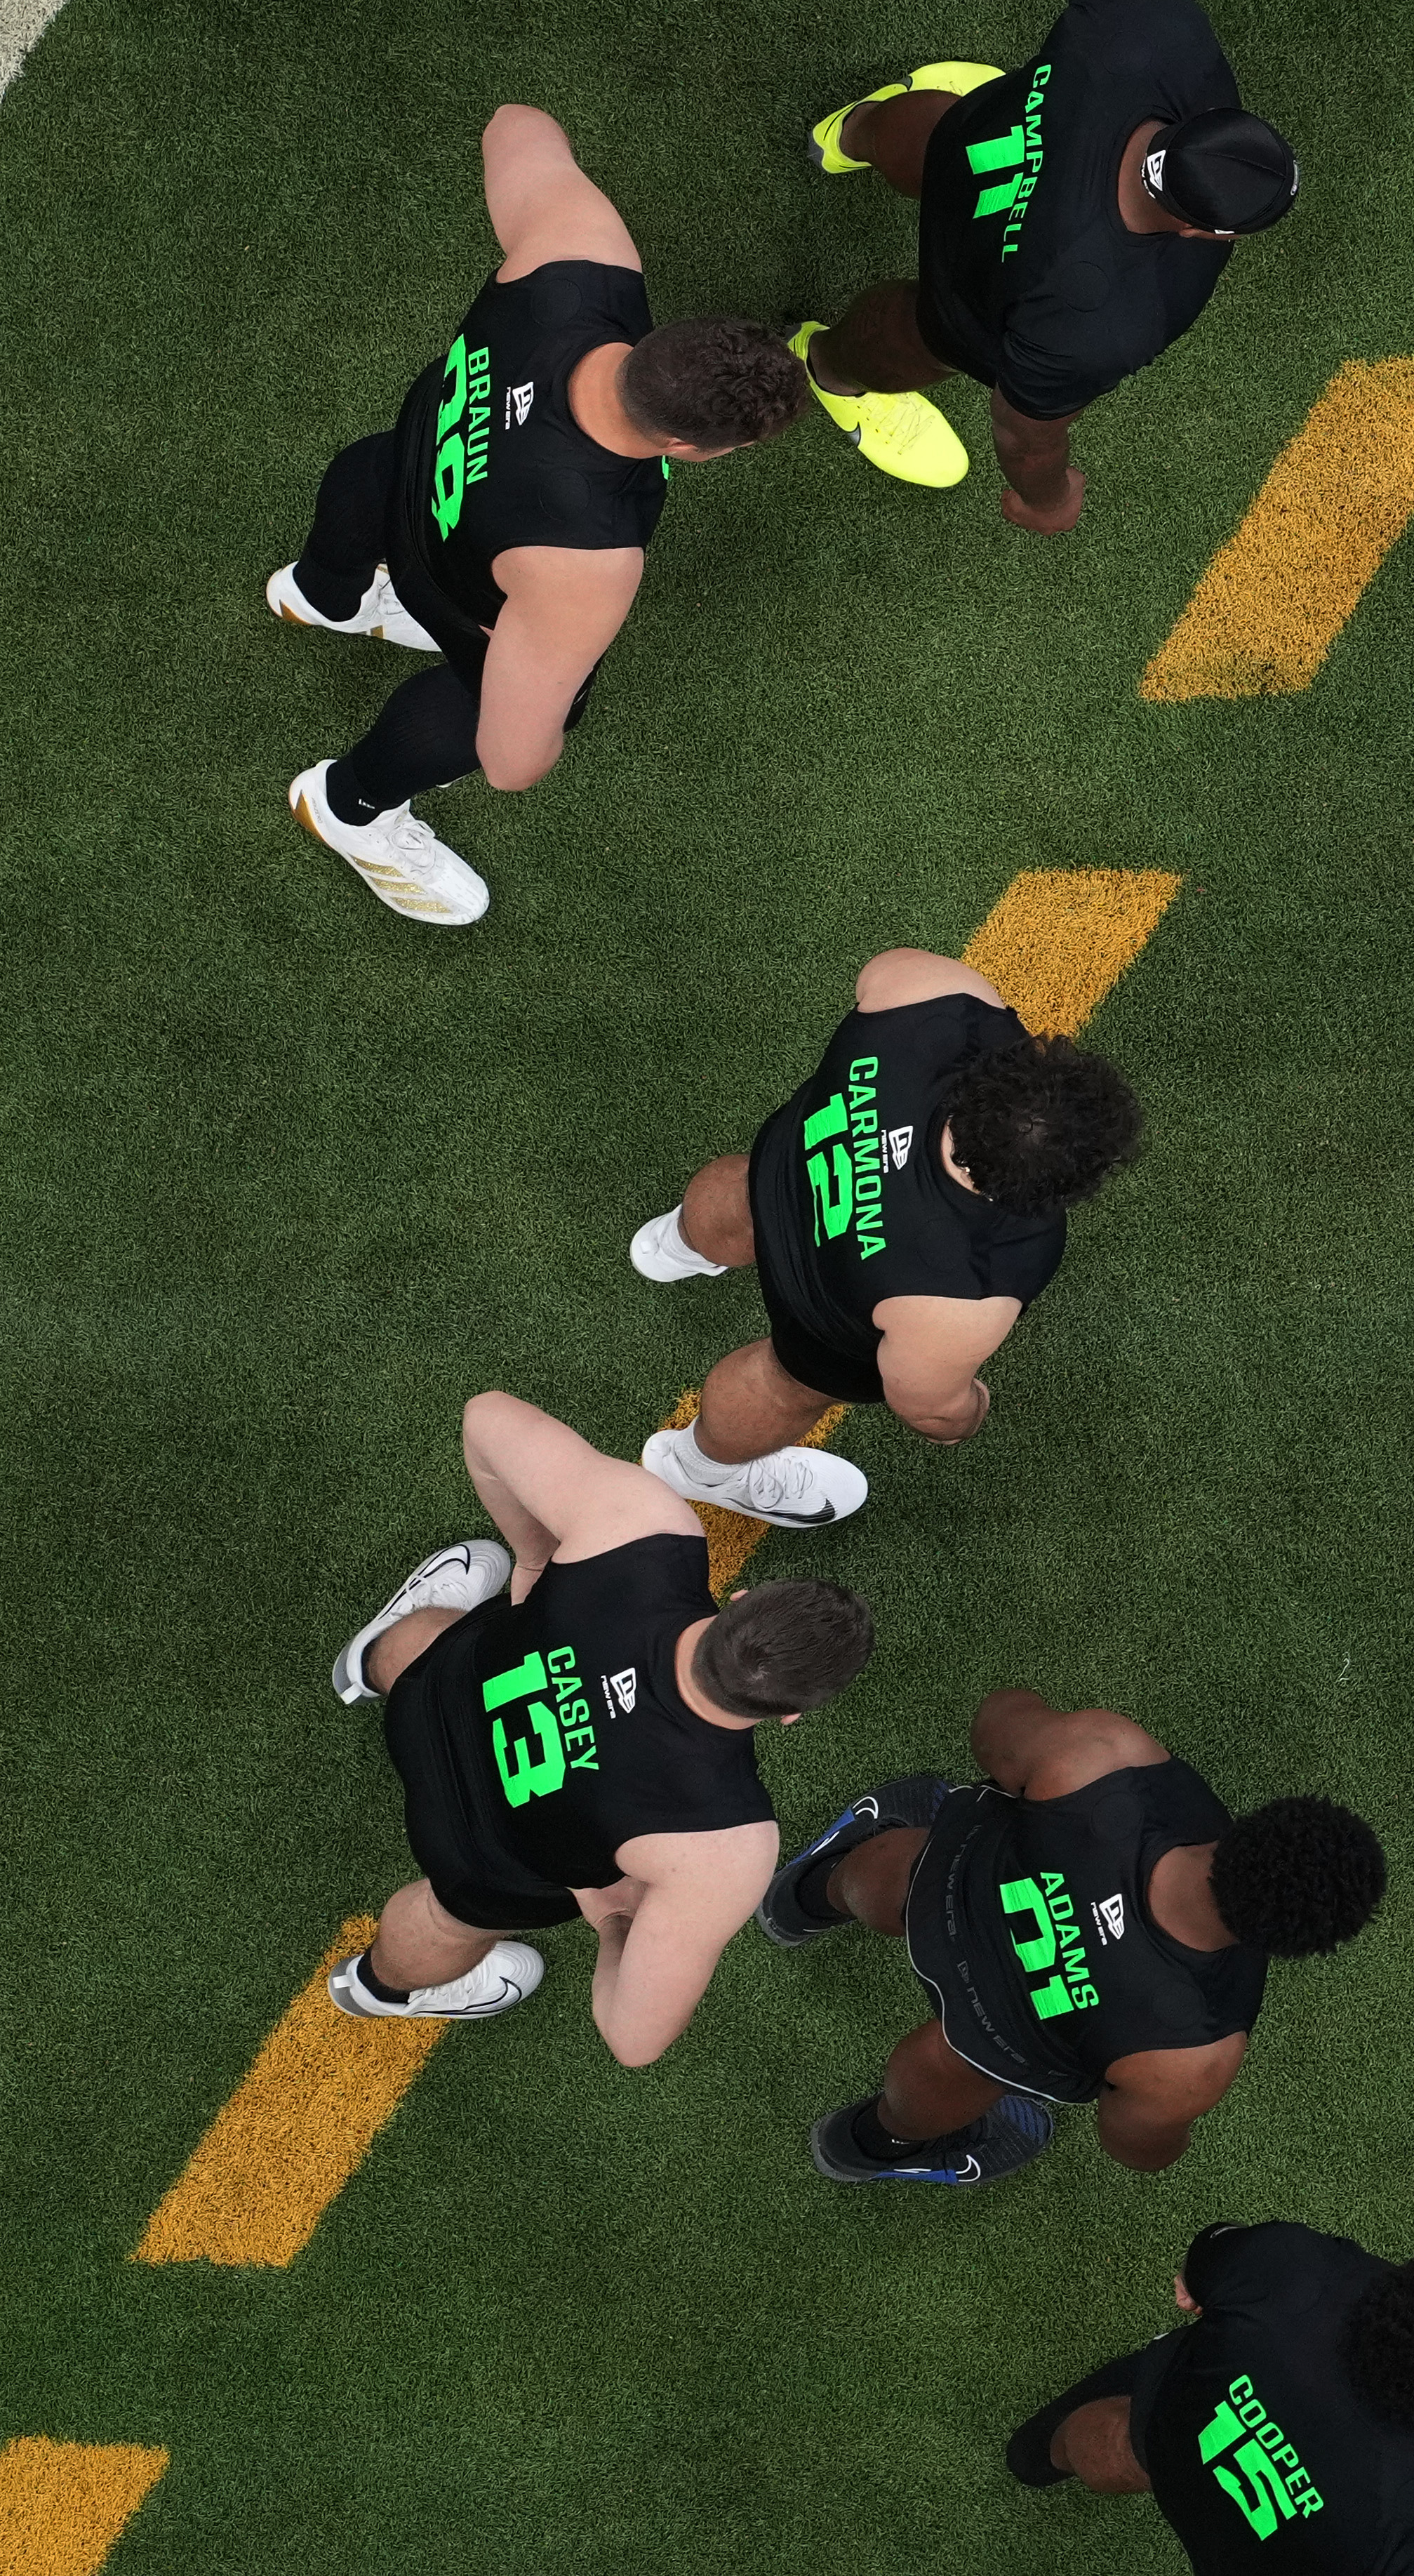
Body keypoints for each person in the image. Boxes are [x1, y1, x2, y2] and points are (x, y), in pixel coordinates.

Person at [271, 107, 803, 927]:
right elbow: (510, 760)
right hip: (456, 576)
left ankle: (322, 594)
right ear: (678, 442)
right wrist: (554, 725)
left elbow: (515, 125)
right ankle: (348, 808)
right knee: (492, 698)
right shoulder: (590, 558)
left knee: (371, 467)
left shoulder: (581, 250)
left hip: (402, 466)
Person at [321, 1391, 874, 2057]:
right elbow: (631, 2039)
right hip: (481, 1857)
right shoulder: (726, 1846)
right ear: (793, 1712)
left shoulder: (641, 1527)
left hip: (436, 1696)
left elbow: (485, 1417)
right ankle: (376, 1989)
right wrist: (612, 1918)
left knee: (447, 1638)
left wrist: (533, 1558)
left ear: (740, 1601)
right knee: (447, 1919)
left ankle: (362, 1667)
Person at [761, 1685, 1385, 2189]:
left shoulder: (1102, 1755)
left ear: (1253, 1824)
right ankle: (869, 2146)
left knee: (893, 1868)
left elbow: (995, 1724)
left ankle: (800, 1901)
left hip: (944, 1890)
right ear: (1288, 1943)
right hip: (997, 2039)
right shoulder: (1194, 2061)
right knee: (952, 2066)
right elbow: (1134, 2147)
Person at [629, 944, 1145, 1527]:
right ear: (1054, 1191)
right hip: (821, 1308)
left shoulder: (932, 996)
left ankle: (675, 1246)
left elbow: (878, 969)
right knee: (783, 1384)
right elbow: (926, 1405)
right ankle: (701, 1470)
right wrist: (970, 1411)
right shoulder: (972, 1284)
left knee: (746, 1190)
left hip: (786, 1170)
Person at [792, 0, 1300, 526]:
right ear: (1193, 228)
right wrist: (1046, 499)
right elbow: (1024, 432)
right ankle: (826, 365)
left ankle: (846, 134)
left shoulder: (1153, 23)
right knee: (924, 336)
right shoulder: (1107, 319)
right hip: (974, 292)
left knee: (942, 134)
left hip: (978, 141)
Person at [1007, 2223, 1414, 2570]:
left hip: (1168, 2428)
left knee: (1109, 2444)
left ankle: (1034, 2459)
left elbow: (1194, 2280)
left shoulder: (1294, 2267)